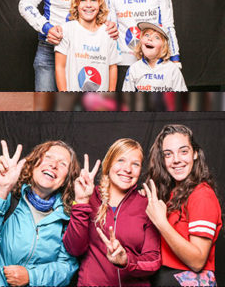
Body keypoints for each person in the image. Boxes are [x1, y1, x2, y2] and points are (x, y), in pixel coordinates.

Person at [0, 140, 80, 286]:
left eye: (63, 164)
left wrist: (30, 276)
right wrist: (1, 188)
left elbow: (66, 268)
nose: (53, 165)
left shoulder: (66, 217)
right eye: (48, 157)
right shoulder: (7, 199)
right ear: (33, 164)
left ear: (66, 179)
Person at [63, 138, 161, 286]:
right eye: (121, 160)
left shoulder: (146, 204)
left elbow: (154, 260)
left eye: (135, 164)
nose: (128, 169)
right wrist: (82, 203)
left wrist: (126, 261)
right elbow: (74, 249)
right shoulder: (89, 196)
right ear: (108, 163)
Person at [144, 124, 221, 286]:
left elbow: (198, 261)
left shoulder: (202, 195)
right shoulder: (173, 193)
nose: (176, 159)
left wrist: (161, 222)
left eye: (183, 151)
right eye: (168, 154)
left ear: (195, 154)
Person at [54, 0, 119, 91]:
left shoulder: (108, 32)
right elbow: (60, 67)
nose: (88, 5)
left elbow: (112, 67)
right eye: (83, 0)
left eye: (93, 0)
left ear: (100, 4)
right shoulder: (67, 30)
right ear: (76, 4)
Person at [122, 22, 187, 91]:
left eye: (157, 37)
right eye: (146, 35)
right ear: (140, 41)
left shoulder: (173, 70)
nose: (150, 38)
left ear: (164, 46)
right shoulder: (134, 69)